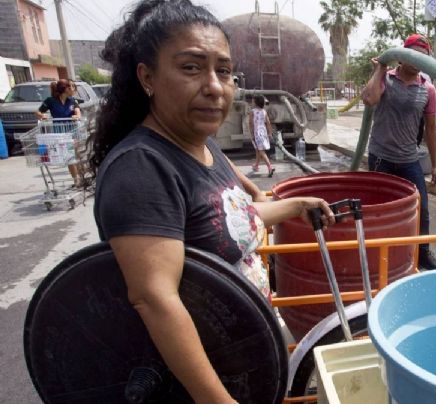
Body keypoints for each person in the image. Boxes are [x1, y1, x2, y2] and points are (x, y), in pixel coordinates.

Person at [88, 1, 335, 402]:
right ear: (147, 77)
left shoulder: (202, 147)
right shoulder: (142, 169)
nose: (214, 86)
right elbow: (155, 299)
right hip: (195, 388)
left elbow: (224, 221)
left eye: (223, 70)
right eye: (191, 67)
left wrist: (293, 206)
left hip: (243, 364)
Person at [362, 33, 436, 270]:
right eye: (414, 54)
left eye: (424, 56)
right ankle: (377, 251)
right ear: (402, 56)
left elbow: (432, 130)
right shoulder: (386, 78)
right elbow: (369, 99)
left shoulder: (428, 90)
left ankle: (423, 252)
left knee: (422, 207)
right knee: (379, 208)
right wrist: (380, 69)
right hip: (381, 157)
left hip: (409, 158)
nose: (419, 60)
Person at [34, 79, 85, 187]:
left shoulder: (72, 100)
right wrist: (42, 116)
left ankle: (81, 177)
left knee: (74, 155)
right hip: (60, 133)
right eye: (71, 87)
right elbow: (38, 112)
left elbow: (78, 112)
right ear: (65, 89)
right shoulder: (50, 101)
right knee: (68, 156)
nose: (73, 89)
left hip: (73, 131)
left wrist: (77, 116)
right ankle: (76, 180)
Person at [248, 94, 274, 177]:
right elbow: (268, 123)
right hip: (263, 131)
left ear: (256, 103)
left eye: (252, 101)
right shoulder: (264, 111)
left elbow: (250, 123)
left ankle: (269, 167)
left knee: (261, 151)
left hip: (257, 132)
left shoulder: (252, 112)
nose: (251, 103)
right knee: (258, 149)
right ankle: (256, 165)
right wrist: (270, 133)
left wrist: (252, 134)